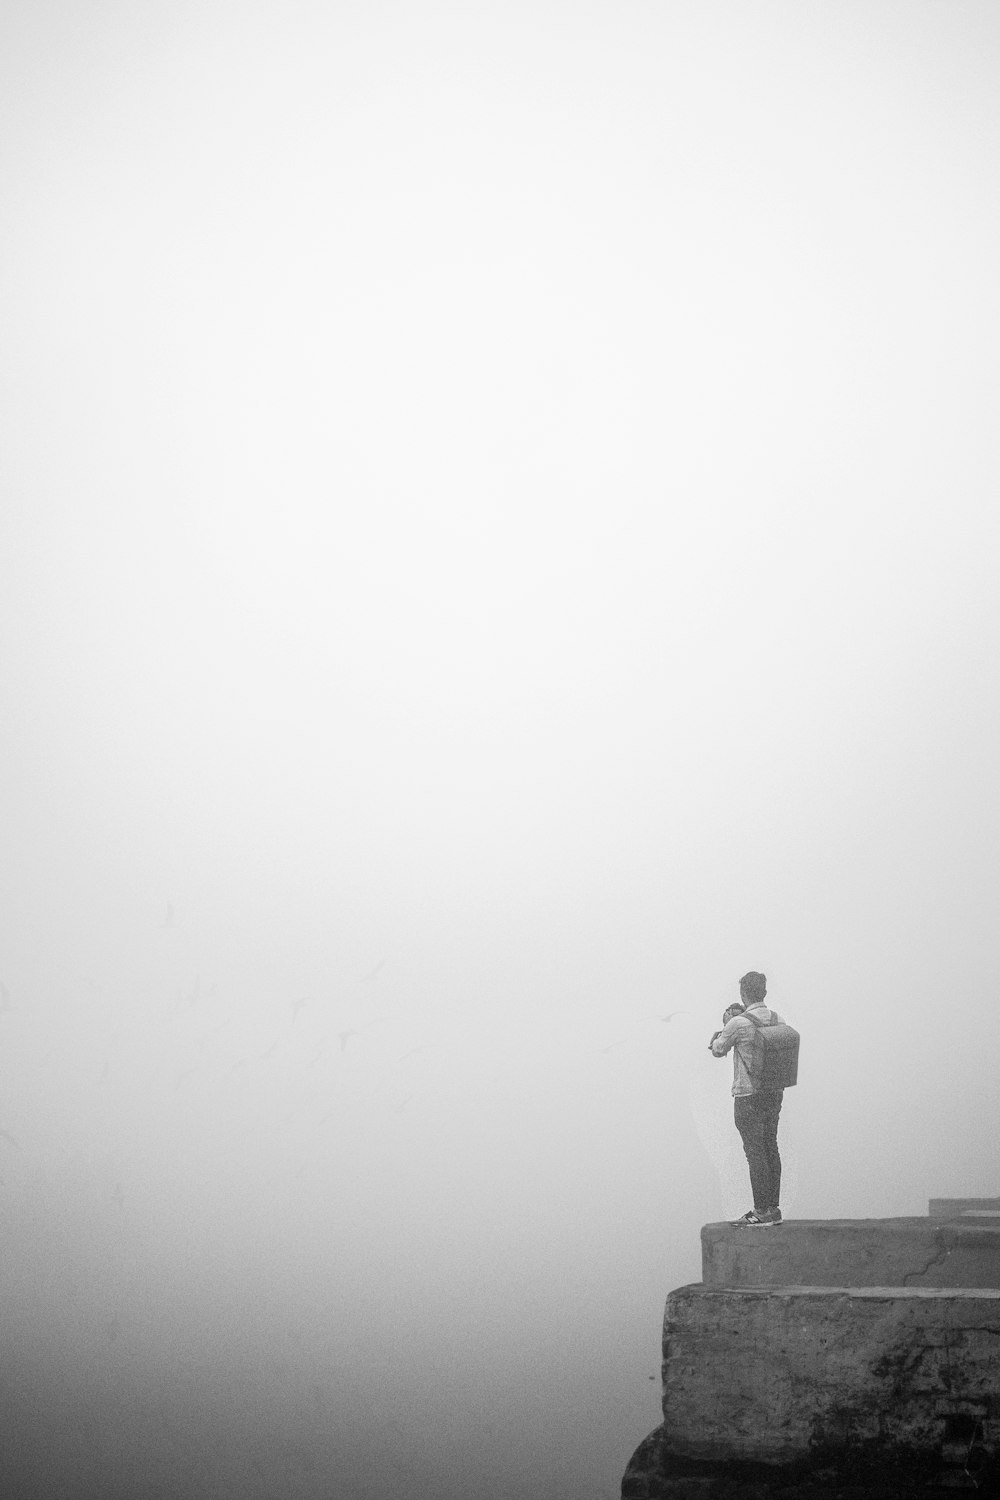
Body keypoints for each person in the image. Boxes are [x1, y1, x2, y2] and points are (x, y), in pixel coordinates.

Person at [709, 971, 786, 1228]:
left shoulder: (738, 1023)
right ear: (763, 992)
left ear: (744, 993)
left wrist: (725, 1025)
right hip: (773, 1093)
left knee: (754, 1152)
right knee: (770, 1147)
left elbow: (719, 1049)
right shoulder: (778, 1019)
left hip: (748, 1095)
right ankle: (773, 1208)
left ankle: (760, 1210)